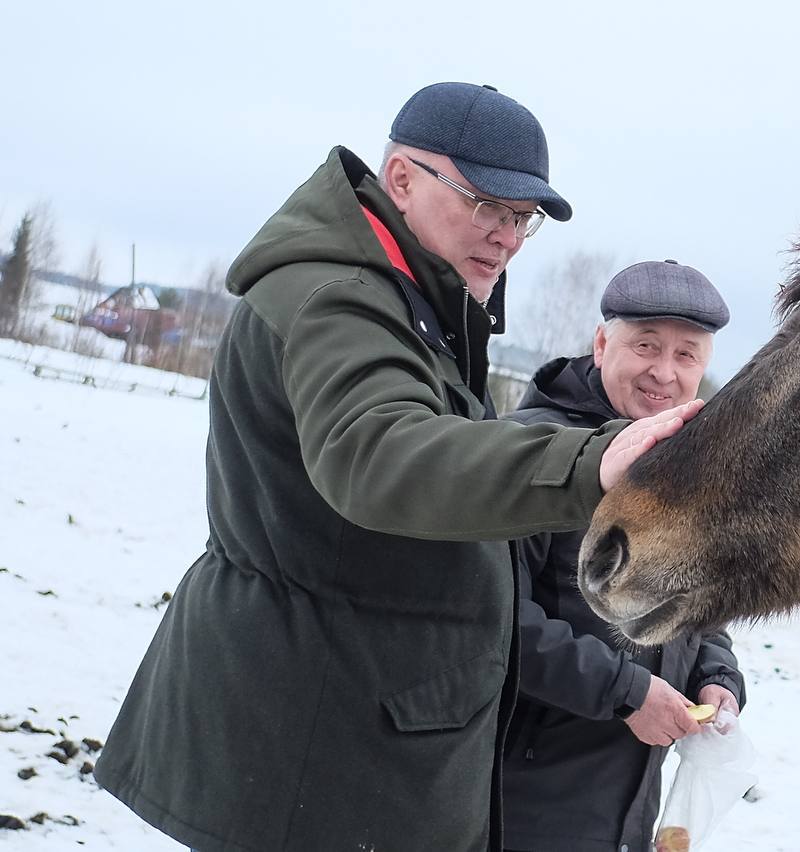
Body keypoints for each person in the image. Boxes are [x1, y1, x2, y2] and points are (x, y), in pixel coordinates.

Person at [93, 83, 701, 852]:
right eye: (485, 204)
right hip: (313, 745)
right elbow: (381, 453)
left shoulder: (413, 304)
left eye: (522, 219)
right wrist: (593, 462)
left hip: (357, 737)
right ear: (402, 177)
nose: (506, 236)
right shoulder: (338, 299)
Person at [501, 260, 747, 852]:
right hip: (519, 799)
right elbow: (491, 620)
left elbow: (697, 611)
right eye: (646, 346)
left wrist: (718, 678)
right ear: (602, 342)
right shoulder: (533, 452)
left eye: (686, 355)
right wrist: (625, 692)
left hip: (626, 804)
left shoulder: (685, 468)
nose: (664, 372)